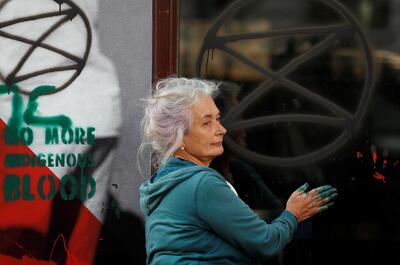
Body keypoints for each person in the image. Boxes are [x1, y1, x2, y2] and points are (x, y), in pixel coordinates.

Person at [139, 78, 337, 265]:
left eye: (218, 119)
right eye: (207, 123)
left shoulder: (165, 181)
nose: (221, 129)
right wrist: (293, 214)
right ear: (179, 137)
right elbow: (265, 242)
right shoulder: (201, 184)